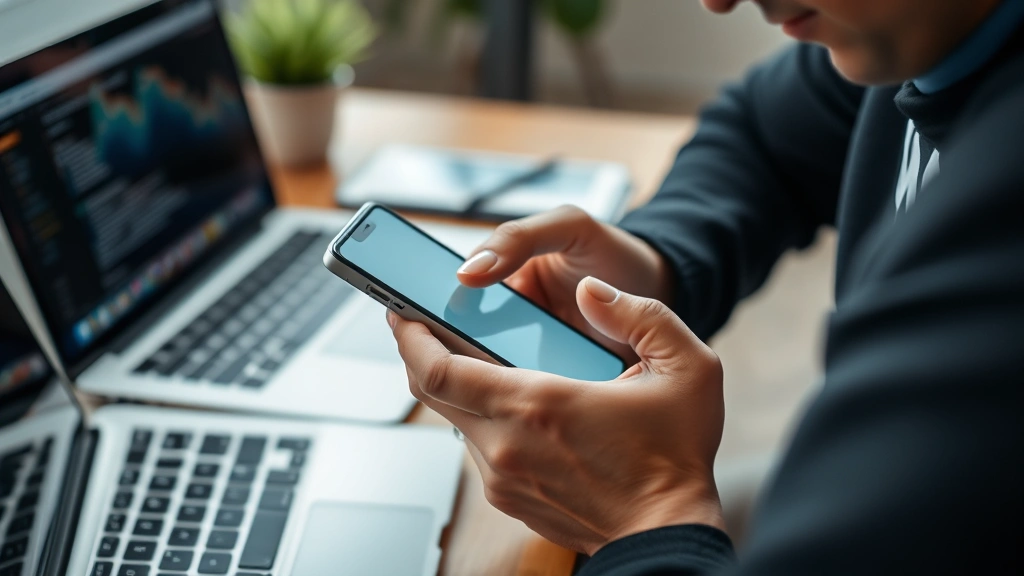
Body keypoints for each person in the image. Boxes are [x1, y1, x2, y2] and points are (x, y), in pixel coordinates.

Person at [389, 0, 1024, 573]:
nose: (719, 1)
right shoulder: (922, 37)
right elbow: (762, 133)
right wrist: (657, 260)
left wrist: (649, 516)